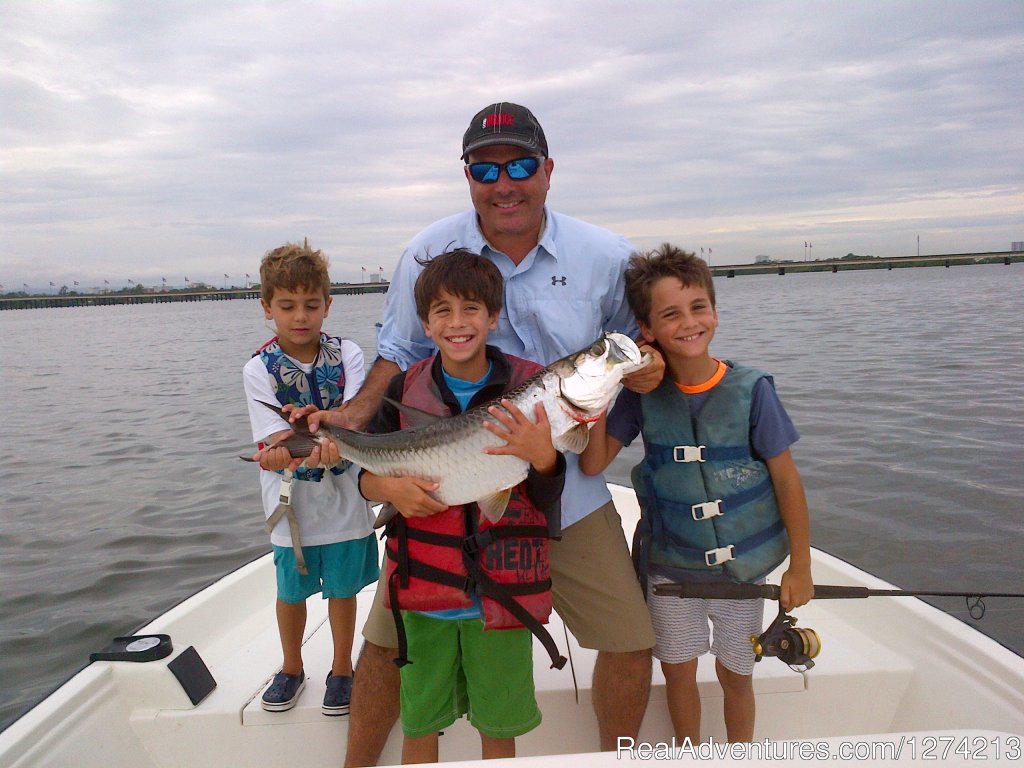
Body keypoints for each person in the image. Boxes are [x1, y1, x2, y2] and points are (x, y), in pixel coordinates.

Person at [279, 102, 666, 765]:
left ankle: (616, 758)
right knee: (383, 644)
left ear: (547, 170)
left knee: (631, 641)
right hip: (445, 492)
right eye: (486, 168)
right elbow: (396, 354)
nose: (504, 182)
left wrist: (650, 368)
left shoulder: (605, 255)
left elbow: (644, 343)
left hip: (566, 490)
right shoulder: (428, 250)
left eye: (520, 165)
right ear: (467, 176)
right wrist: (348, 421)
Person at [579, 243, 815, 743]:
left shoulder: (754, 389)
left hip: (744, 571)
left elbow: (787, 480)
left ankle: (738, 755)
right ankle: (690, 754)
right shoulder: (636, 397)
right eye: (670, 314)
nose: (689, 323)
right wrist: (601, 392)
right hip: (670, 569)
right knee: (679, 672)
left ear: (714, 311)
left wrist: (801, 566)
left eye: (698, 308)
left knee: (736, 675)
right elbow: (594, 461)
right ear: (647, 330)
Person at [359, 248, 565, 762]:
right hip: (423, 596)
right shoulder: (402, 388)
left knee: (500, 727)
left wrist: (544, 458)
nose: (457, 323)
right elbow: (365, 478)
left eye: (472, 309)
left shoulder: (532, 390)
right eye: (442, 312)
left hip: (503, 601)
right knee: (421, 724)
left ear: (494, 318)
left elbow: (545, 497)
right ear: (426, 324)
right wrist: (390, 491)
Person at [243, 242, 380, 716]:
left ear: (327, 305)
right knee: (290, 591)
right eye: (287, 306)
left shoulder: (350, 354)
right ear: (267, 308)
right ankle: (291, 666)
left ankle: (342, 669)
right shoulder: (257, 369)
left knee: (343, 590)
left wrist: (322, 429)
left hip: (347, 500)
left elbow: (354, 418)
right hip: (291, 510)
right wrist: (294, 445)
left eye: (310, 304)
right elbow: (279, 440)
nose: (300, 316)